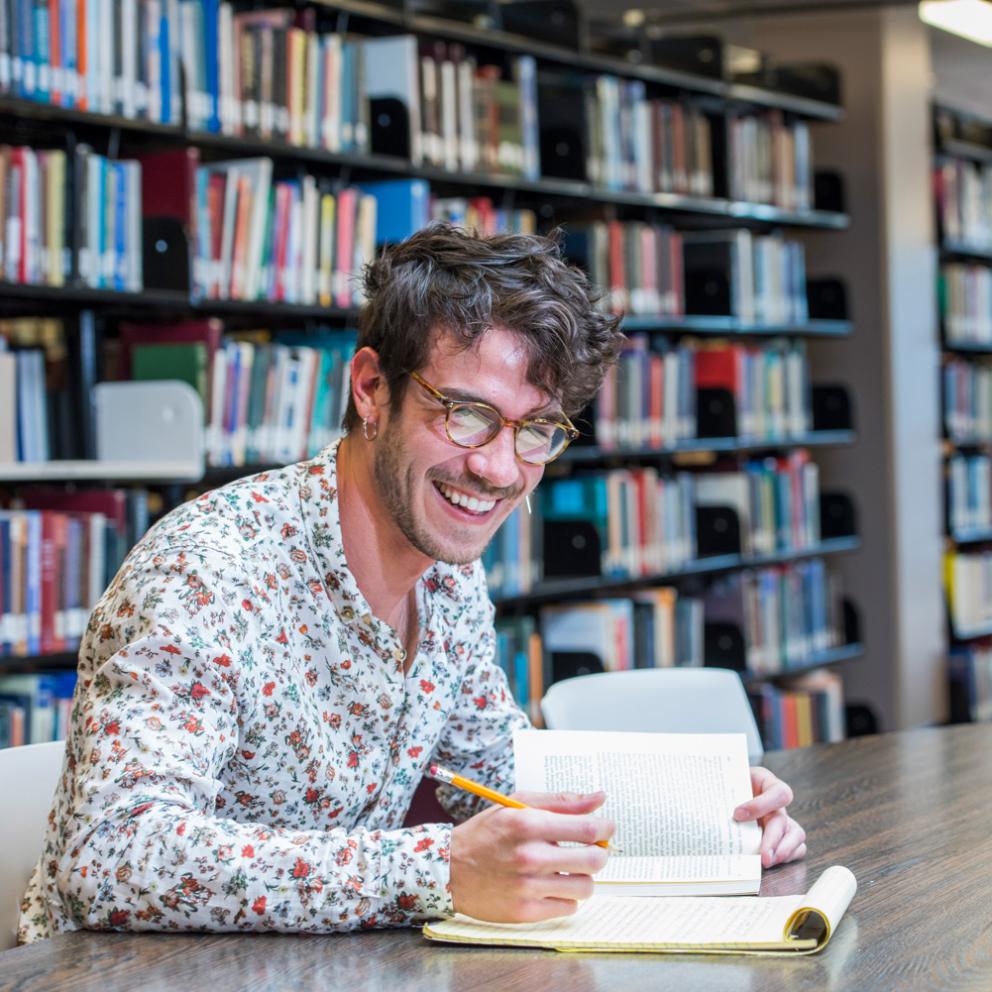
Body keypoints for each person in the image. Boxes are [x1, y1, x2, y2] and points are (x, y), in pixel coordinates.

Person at [17, 225, 806, 944]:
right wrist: (440, 872)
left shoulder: (449, 575)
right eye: (466, 414)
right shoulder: (208, 571)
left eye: (534, 431)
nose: (498, 470)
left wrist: (708, 813)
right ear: (371, 389)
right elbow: (111, 853)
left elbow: (498, 776)